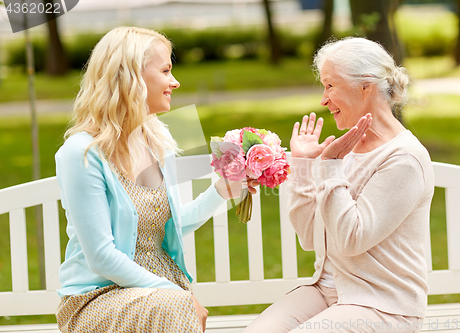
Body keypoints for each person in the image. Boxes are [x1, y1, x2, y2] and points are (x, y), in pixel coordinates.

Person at [54, 26, 256, 333]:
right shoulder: (80, 153)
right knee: (177, 308)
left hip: (162, 294)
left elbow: (169, 226)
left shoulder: (158, 137)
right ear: (132, 76)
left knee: (176, 308)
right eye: (165, 70)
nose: (174, 82)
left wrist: (221, 191)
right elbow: (101, 257)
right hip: (99, 298)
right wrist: (176, 295)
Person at [243, 37, 434, 333]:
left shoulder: (404, 158)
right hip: (326, 291)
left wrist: (331, 168)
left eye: (330, 85)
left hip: (382, 305)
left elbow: (351, 240)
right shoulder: (346, 150)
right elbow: (310, 238)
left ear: (365, 86)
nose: (323, 99)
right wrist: (305, 166)